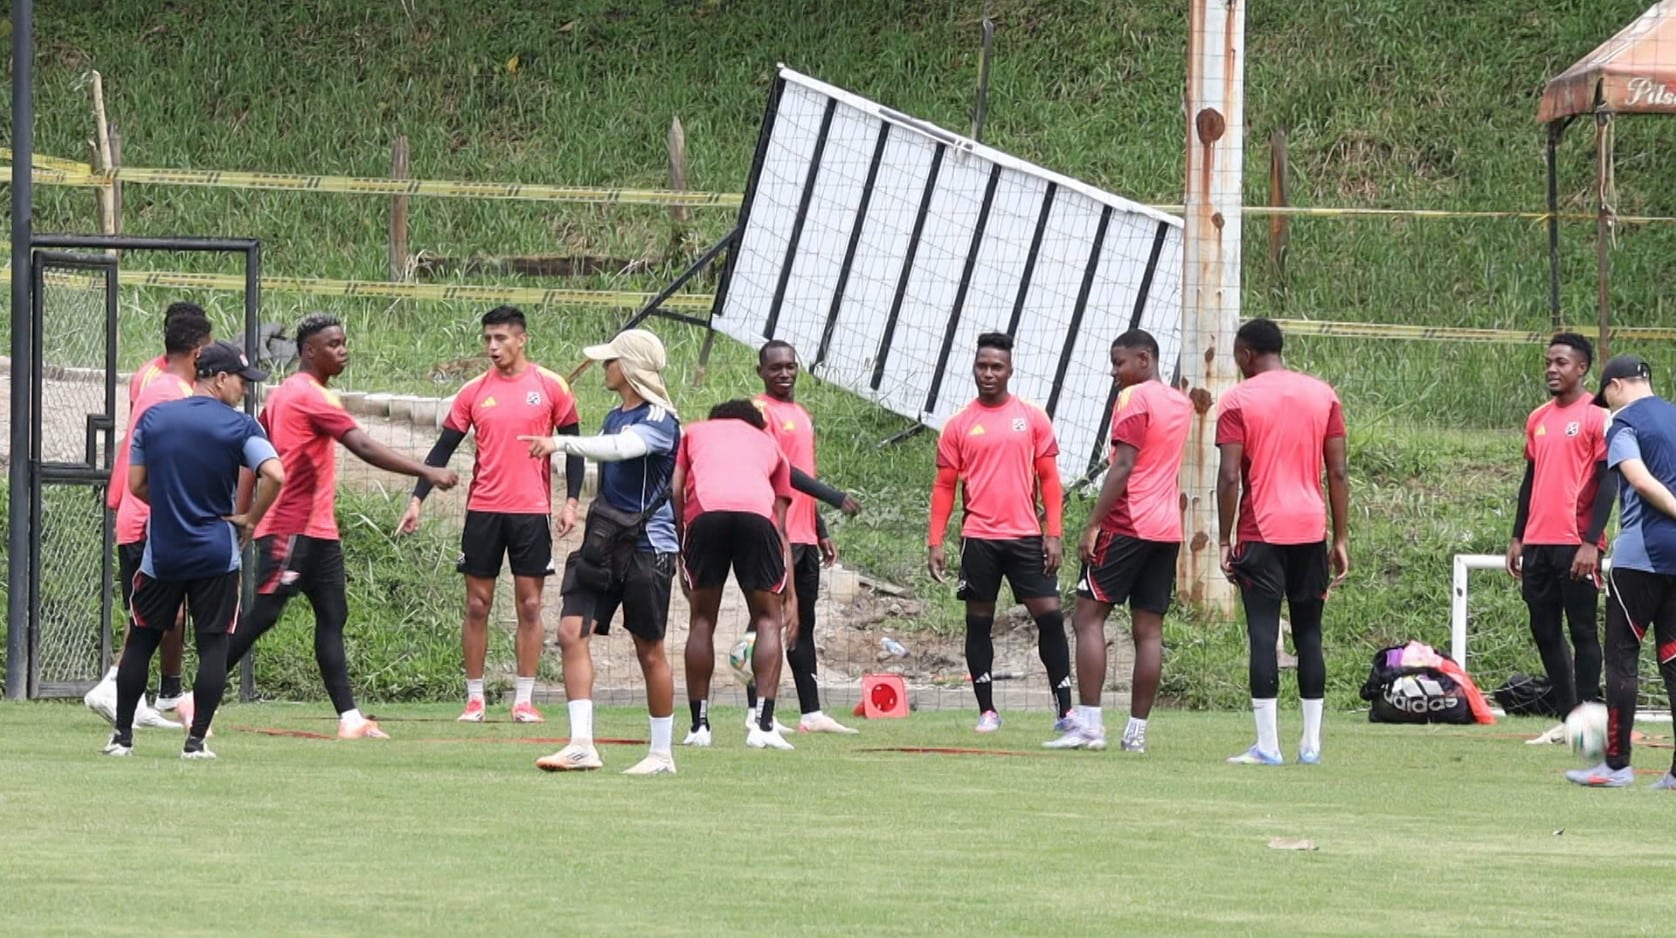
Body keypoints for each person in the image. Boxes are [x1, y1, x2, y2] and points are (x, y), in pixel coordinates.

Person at [224, 314, 460, 739]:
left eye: (344, 342)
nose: (343, 350)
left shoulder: (284, 394)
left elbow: (253, 449)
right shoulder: (307, 395)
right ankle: (194, 695)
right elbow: (363, 446)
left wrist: (246, 513)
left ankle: (349, 718)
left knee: (333, 614)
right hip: (292, 524)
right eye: (333, 344)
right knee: (263, 614)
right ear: (308, 351)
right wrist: (429, 471)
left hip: (319, 530)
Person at [398, 306, 583, 723]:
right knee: (478, 604)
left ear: (522, 340)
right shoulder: (474, 391)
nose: (492, 347)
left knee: (531, 605)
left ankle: (523, 699)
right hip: (483, 510)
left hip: (531, 512)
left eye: (500, 339)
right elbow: (442, 449)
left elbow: (573, 446)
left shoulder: (551, 386)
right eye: (487, 339)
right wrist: (417, 498)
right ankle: (475, 699)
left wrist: (571, 501)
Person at [104, 341, 284, 759]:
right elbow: (274, 473)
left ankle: (122, 738)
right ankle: (195, 742)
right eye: (242, 381)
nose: (244, 390)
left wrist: (170, 505)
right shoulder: (239, 427)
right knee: (213, 647)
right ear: (220, 379)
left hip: (162, 552)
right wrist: (251, 518)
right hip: (215, 554)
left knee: (141, 642)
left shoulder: (155, 418)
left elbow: (135, 484)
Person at [522, 329, 682, 775]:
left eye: (610, 361)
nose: (604, 367)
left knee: (649, 648)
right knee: (572, 631)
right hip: (604, 541)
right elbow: (610, 447)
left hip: (649, 545)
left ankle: (661, 754)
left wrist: (561, 442)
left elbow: (620, 451)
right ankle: (580, 746)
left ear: (629, 367)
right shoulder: (615, 415)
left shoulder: (660, 420)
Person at [1048, 329, 1190, 753]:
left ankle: (1090, 727)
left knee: (1087, 618)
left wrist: (1094, 523)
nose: (1114, 372)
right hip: (1167, 529)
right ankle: (1136, 735)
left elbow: (1124, 464)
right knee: (1149, 631)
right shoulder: (1181, 402)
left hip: (1128, 522)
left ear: (1144, 359)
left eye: (1119, 363)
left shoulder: (1133, 399)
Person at [1216, 318, 1350, 766]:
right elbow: (1338, 471)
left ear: (1246, 354)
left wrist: (1223, 539)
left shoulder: (1238, 400)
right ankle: (1311, 745)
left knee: (1262, 634)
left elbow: (1231, 474)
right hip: (1311, 531)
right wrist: (1342, 537)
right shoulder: (1322, 394)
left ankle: (1268, 746)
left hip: (1263, 532)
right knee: (1310, 635)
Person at [928, 332, 1074, 733]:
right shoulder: (959, 424)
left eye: (996, 367)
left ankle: (1065, 712)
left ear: (1010, 370)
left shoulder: (1031, 417)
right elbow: (944, 486)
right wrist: (935, 540)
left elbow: (1049, 479)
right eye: (982, 366)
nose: (988, 373)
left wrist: (1054, 532)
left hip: (1026, 536)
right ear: (973, 367)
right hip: (979, 538)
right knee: (978, 622)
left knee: (1049, 617)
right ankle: (987, 711)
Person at [85, 303, 214, 730]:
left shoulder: (156, 381)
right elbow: (160, 453)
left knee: (164, 611)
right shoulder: (169, 389)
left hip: (143, 511)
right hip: (147, 515)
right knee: (153, 611)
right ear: (198, 351)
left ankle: (149, 696)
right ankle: (116, 685)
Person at [740, 340, 863, 737]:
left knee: (801, 624)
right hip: (776, 532)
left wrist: (821, 527)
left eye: (790, 366)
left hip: (805, 535)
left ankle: (811, 712)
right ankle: (755, 709)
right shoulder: (758, 412)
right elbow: (781, 469)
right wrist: (834, 496)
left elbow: (802, 476)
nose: (785, 373)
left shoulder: (801, 414)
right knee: (766, 621)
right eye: (775, 367)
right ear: (761, 371)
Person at [1568, 356, 1676, 788]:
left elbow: (1640, 479)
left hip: (1642, 556)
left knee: (1622, 657)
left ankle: (1616, 765)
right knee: (1673, 660)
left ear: (1615, 387)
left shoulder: (1623, 424)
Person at [673, 399, 798, 752]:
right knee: (767, 620)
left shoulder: (694, 432)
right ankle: (763, 724)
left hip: (705, 516)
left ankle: (699, 727)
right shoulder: (770, 442)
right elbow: (781, 527)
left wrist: (679, 541)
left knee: (701, 620)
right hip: (757, 518)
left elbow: (675, 488)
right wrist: (789, 593)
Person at [1506, 333, 1613, 745]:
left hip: (1576, 544)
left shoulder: (1597, 415)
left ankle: (1590, 719)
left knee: (1583, 630)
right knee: (1544, 629)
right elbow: (1530, 479)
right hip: (1538, 543)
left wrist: (1591, 542)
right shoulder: (1538, 418)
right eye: (1548, 362)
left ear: (1582, 368)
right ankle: (1570, 720)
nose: (1552, 369)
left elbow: (1608, 482)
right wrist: (1517, 535)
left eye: (1561, 362)